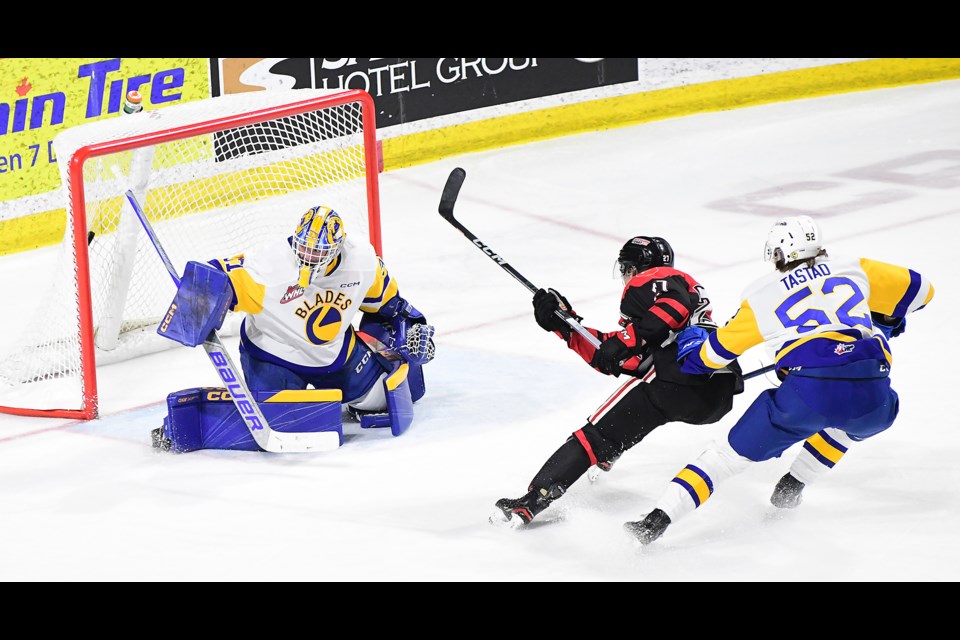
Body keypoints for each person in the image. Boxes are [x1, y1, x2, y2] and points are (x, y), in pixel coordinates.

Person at [624, 214, 934, 545]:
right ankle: (794, 484)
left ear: (777, 254)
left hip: (807, 394)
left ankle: (655, 522)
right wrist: (884, 319)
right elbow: (923, 292)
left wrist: (694, 349)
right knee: (848, 420)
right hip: (876, 396)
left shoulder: (762, 294)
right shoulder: (854, 266)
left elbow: (712, 358)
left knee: (724, 459)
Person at [491, 235, 744, 526]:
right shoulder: (675, 307)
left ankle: (533, 500)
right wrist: (567, 327)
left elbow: (674, 306)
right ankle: (612, 447)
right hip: (717, 393)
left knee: (594, 437)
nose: (625, 276)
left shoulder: (651, 281)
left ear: (636, 267)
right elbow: (624, 360)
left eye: (626, 268)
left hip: (676, 380)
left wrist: (629, 338)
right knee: (635, 403)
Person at [151, 204, 435, 450]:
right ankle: (194, 420)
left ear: (338, 247)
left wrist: (409, 329)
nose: (308, 257)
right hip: (275, 357)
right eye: (303, 248)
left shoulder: (362, 262)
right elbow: (221, 273)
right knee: (280, 422)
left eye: (318, 252)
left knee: (391, 396)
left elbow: (389, 305)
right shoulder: (266, 266)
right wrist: (198, 296)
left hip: (336, 355)